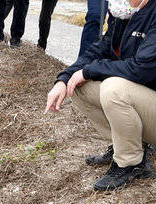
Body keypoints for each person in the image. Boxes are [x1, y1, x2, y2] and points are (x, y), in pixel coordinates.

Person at [44, 0, 156, 191]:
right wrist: (63, 79)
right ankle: (123, 146)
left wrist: (90, 71)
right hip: (146, 101)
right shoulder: (124, 15)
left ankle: (130, 163)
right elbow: (98, 50)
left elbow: (143, 68)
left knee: (113, 88)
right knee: (77, 87)